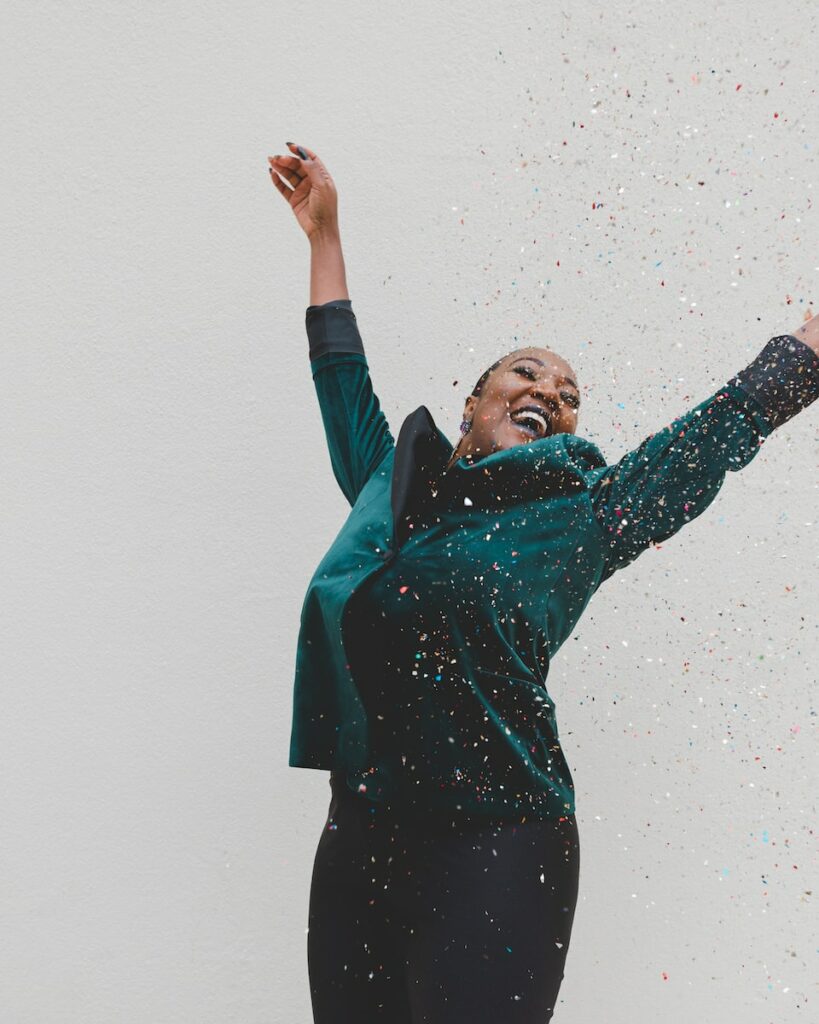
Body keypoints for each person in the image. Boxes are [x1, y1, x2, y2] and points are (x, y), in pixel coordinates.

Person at [268, 142, 819, 1023]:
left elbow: (707, 439)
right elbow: (340, 377)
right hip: (361, 832)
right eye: (526, 372)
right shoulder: (390, 488)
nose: (551, 394)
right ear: (473, 404)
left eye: (569, 394)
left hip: (498, 842)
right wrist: (323, 235)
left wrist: (809, 346)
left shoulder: (582, 518)